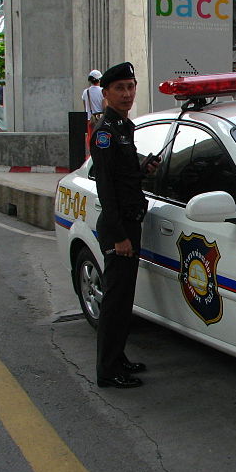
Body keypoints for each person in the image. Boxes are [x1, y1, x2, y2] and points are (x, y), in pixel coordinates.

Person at [89, 61, 159, 389]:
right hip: (119, 230)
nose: (127, 94)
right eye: (120, 88)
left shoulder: (124, 128)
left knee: (124, 301)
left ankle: (119, 359)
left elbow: (125, 175)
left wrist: (145, 168)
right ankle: (107, 371)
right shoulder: (105, 133)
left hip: (131, 223)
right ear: (105, 93)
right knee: (115, 304)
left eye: (131, 87)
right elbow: (106, 186)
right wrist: (119, 236)